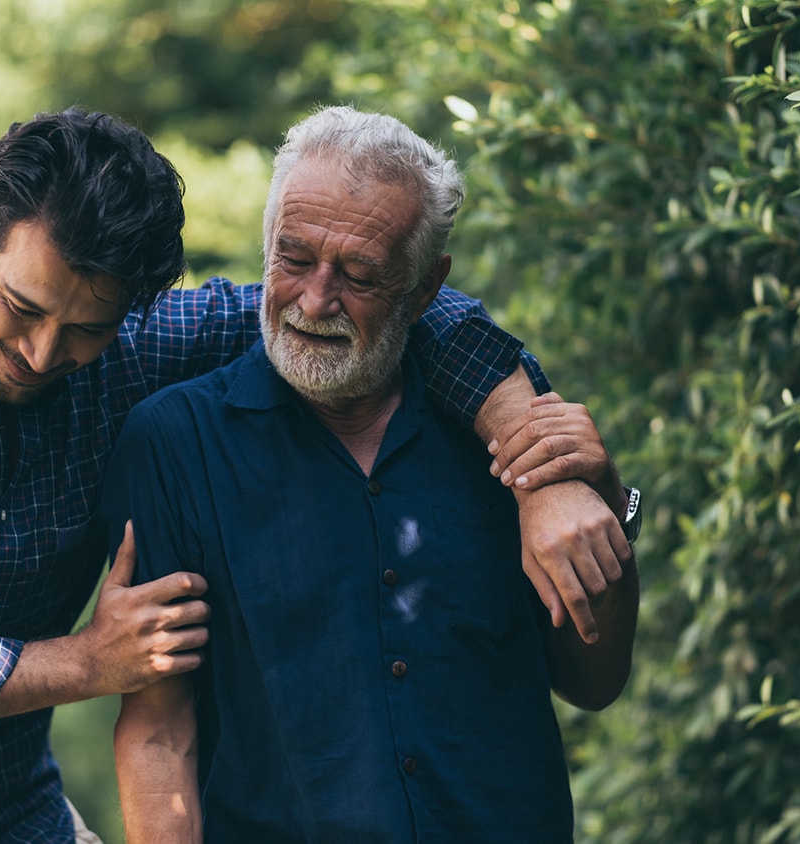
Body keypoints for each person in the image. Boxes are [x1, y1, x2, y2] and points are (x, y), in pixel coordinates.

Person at [0, 107, 624, 842]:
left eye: (84, 328)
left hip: (0, 821)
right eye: (23, 306)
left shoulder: (133, 346)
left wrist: (540, 465)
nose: (44, 353)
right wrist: (84, 662)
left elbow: (399, 310)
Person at [105, 106, 642, 843]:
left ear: (425, 289)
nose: (316, 300)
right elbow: (161, 729)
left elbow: (593, 683)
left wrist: (601, 512)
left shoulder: (509, 436)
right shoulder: (174, 442)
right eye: (293, 259)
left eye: (359, 274)